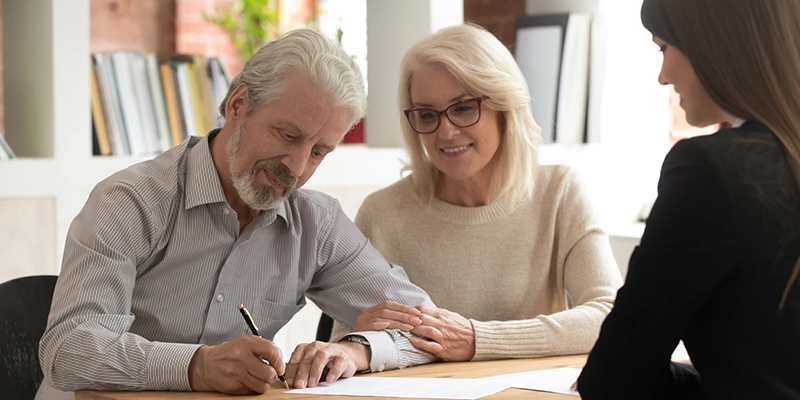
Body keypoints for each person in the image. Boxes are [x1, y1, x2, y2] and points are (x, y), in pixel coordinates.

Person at [36, 29, 438, 400]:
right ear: (237, 105)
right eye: (289, 135)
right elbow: (69, 348)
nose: (297, 167)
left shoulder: (317, 223)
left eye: (318, 152)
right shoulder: (129, 201)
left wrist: (357, 350)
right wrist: (196, 366)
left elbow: (429, 330)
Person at [331, 23, 623, 362]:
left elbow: (611, 314)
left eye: (464, 108)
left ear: (504, 105)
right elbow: (343, 346)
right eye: (427, 115)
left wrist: (477, 339)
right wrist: (358, 339)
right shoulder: (381, 212)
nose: (447, 131)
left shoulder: (560, 193)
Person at [578, 0, 800, 398]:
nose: (663, 77)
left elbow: (614, 378)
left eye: (662, 47)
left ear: (716, 44)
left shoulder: (712, 169)